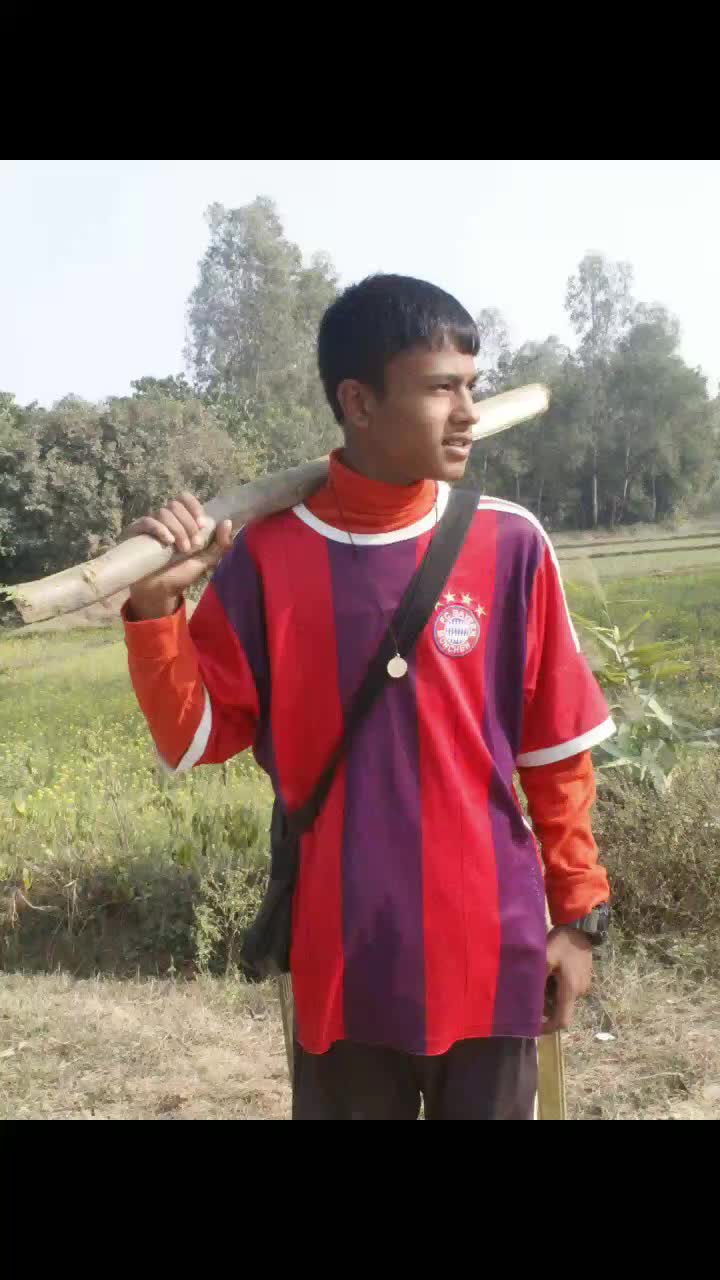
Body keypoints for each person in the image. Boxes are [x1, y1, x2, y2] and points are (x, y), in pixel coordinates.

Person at [123, 274, 614, 1121]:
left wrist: (577, 918)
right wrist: (155, 609)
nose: (468, 414)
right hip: (341, 960)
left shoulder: (510, 543)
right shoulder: (269, 556)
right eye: (440, 389)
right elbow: (193, 737)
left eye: (473, 386)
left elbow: (555, 756)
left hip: (492, 950)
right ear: (358, 401)